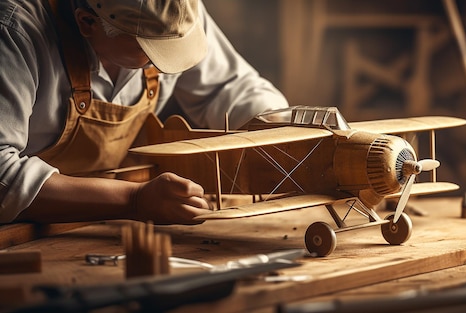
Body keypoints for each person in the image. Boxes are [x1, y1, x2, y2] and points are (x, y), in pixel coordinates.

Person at [0, 0, 289, 224]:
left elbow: (229, 87)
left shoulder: (173, 12)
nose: (167, 68)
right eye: (152, 51)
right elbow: (2, 174)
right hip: (19, 229)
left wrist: (290, 128)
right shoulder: (16, 30)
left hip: (104, 224)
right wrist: (134, 199)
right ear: (88, 23)